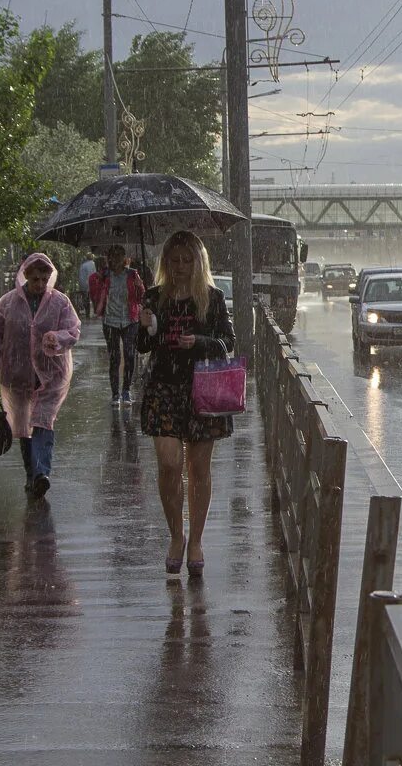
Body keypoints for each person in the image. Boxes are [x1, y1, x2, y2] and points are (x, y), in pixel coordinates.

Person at [138, 231, 234, 578]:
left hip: (202, 389)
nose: (180, 267)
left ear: (198, 262)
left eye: (186, 260)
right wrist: (146, 327)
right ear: (165, 262)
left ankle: (196, 540)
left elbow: (227, 341)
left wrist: (201, 342)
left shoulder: (212, 298)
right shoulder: (153, 298)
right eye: (174, 260)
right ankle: (175, 536)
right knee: (168, 465)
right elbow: (142, 347)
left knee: (198, 469)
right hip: (163, 388)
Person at [0, 253, 81, 497]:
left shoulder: (60, 302)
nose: (39, 284)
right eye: (34, 278)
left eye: (44, 278)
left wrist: (57, 338)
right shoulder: (7, 303)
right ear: (25, 275)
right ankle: (31, 474)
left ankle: (41, 473)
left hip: (50, 376)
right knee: (25, 427)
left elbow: (73, 330)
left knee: (43, 422)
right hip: (17, 375)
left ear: (50, 277)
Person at [93, 245, 146, 405]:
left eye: (119, 256)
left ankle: (126, 390)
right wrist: (99, 280)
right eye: (113, 256)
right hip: (110, 321)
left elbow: (141, 296)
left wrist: (139, 285)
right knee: (114, 358)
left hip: (130, 320)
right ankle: (115, 394)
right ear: (109, 258)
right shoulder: (105, 275)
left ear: (124, 258)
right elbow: (95, 292)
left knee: (129, 355)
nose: (116, 259)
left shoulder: (131, 274)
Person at [76, 253, 96, 318]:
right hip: (91, 284)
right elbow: (93, 274)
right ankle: (94, 312)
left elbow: (80, 276)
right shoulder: (93, 264)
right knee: (93, 298)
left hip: (83, 284)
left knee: (86, 299)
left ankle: (87, 313)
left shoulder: (83, 265)